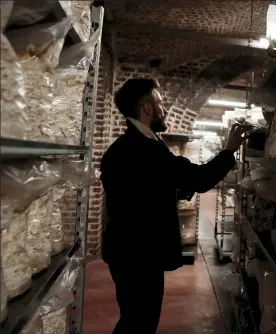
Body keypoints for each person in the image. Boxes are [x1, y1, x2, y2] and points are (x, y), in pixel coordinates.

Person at [100, 78, 250, 334]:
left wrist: (177, 186)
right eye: (160, 103)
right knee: (139, 322)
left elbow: (147, 188)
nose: (164, 109)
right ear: (147, 108)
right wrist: (229, 150)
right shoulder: (144, 149)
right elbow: (200, 179)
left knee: (135, 318)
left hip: (130, 252)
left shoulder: (131, 146)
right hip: (138, 256)